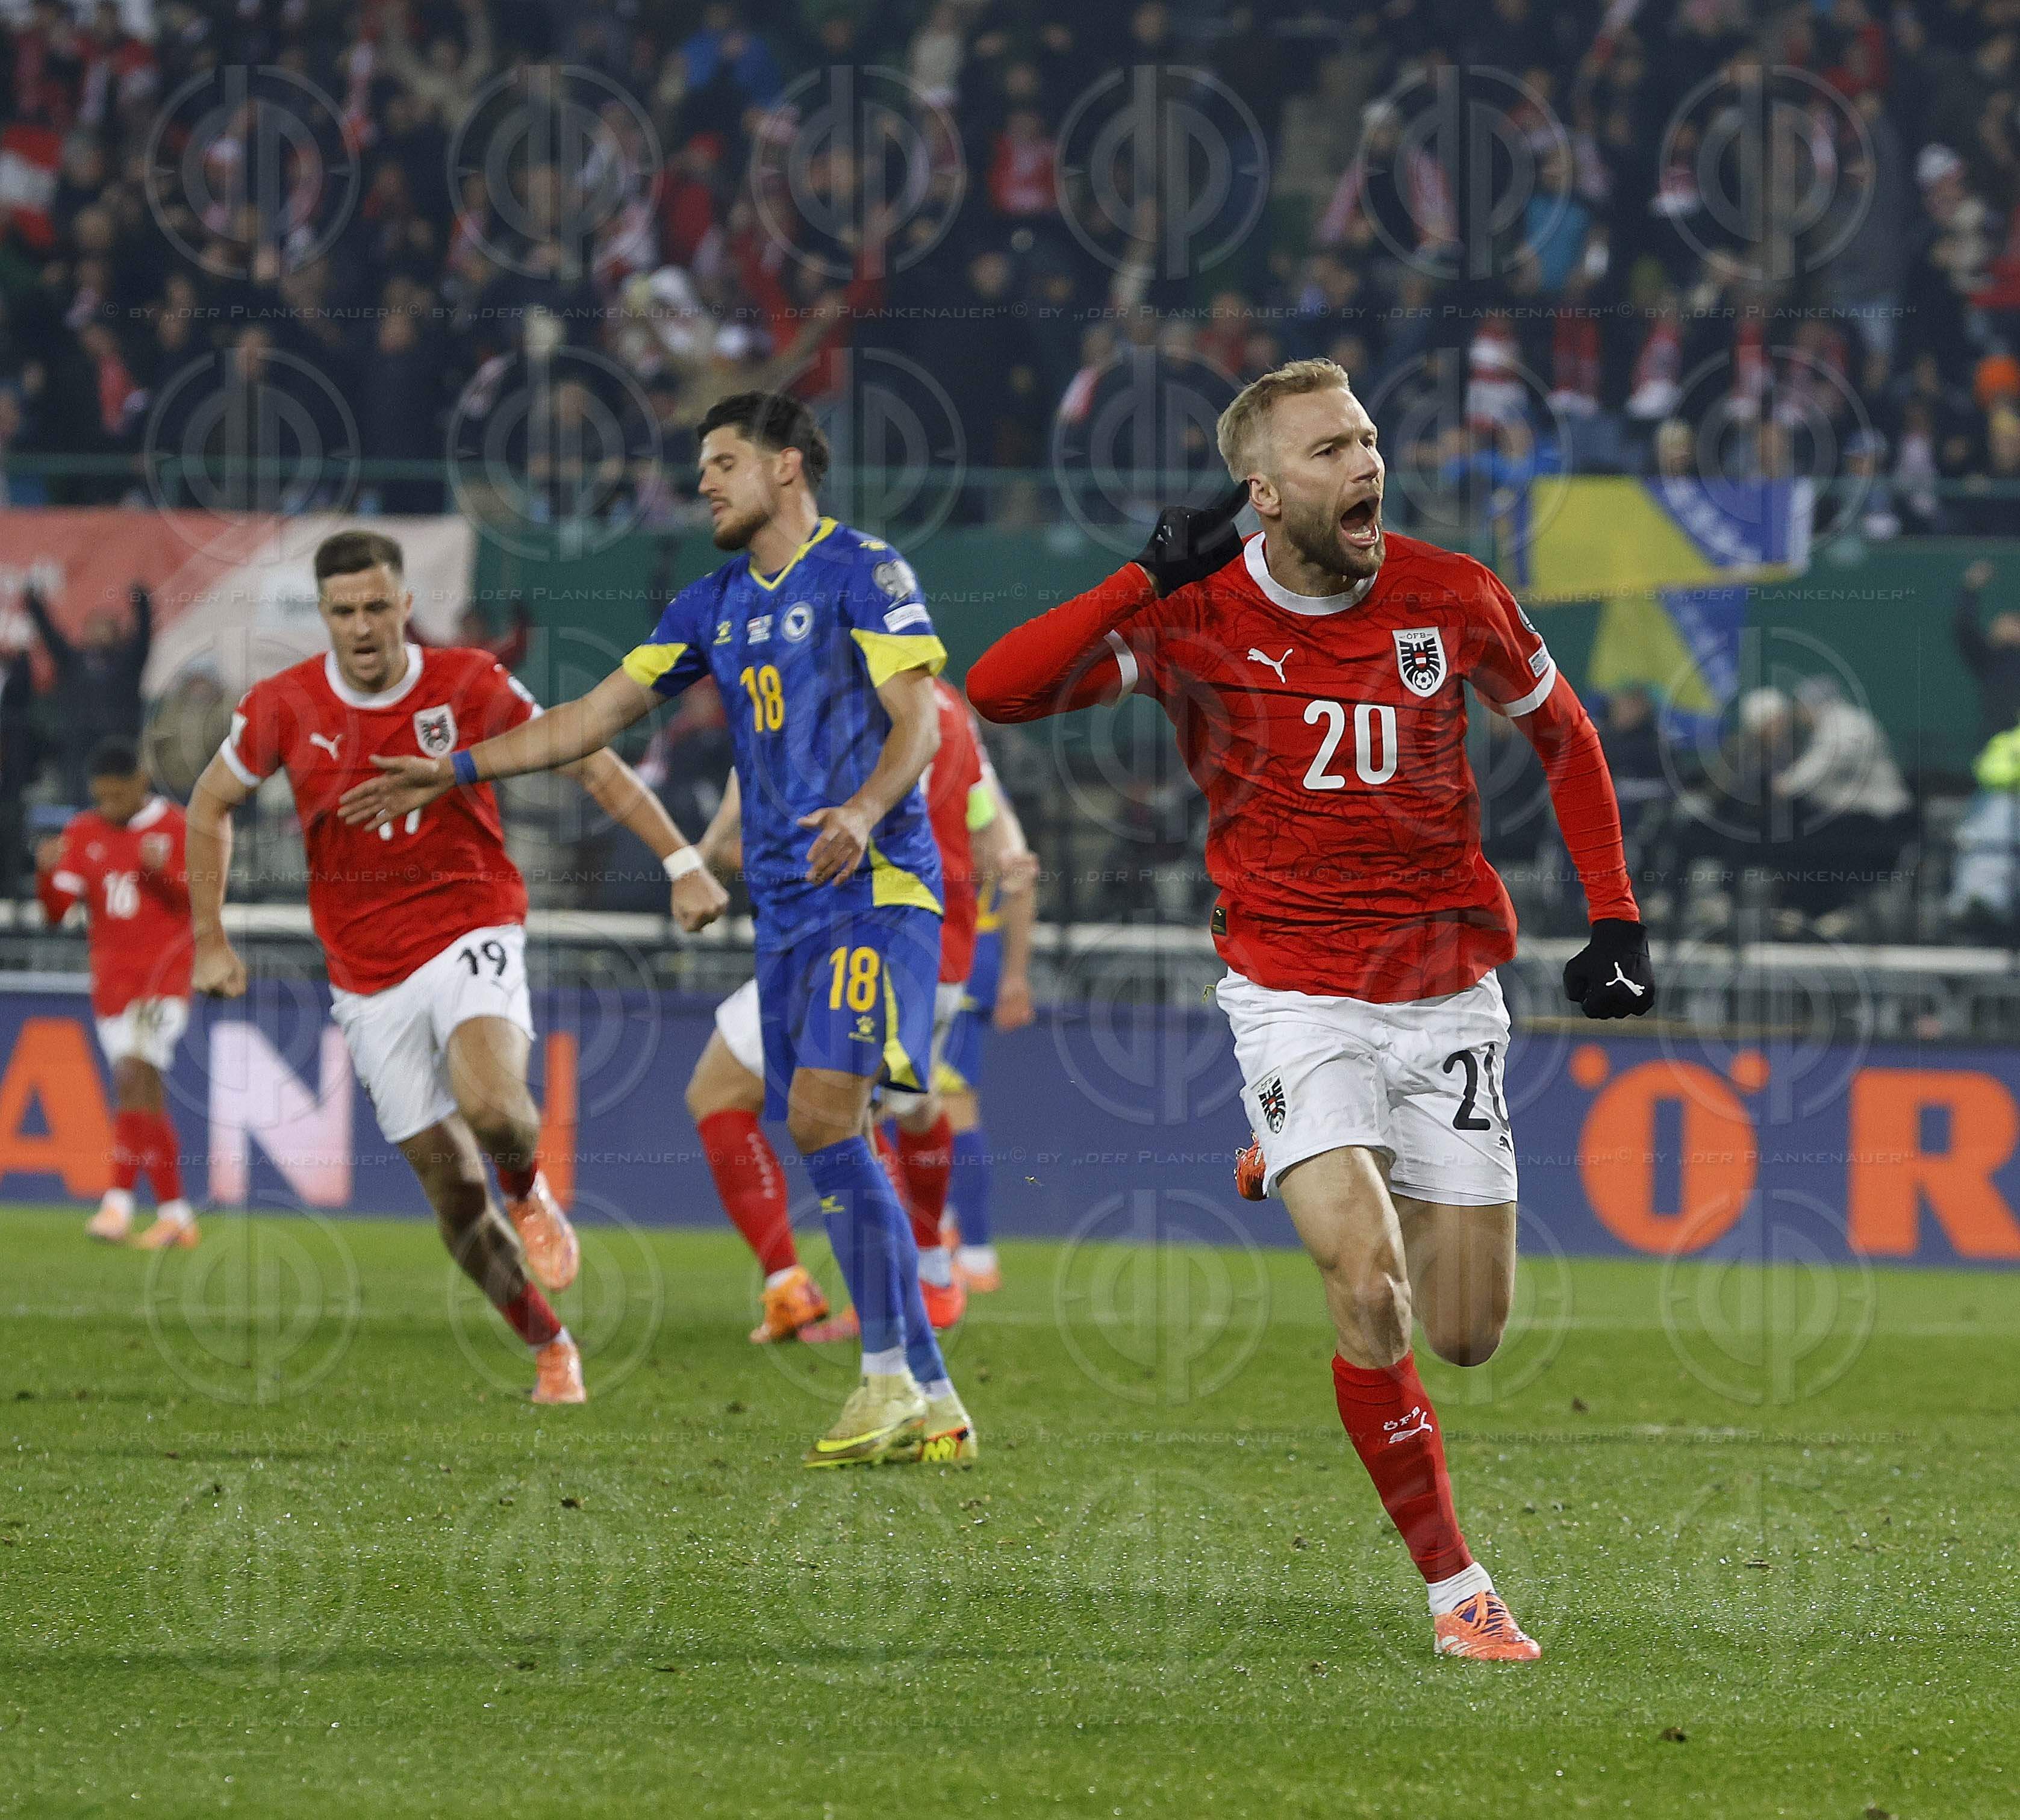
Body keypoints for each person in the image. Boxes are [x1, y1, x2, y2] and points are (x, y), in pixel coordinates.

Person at [966, 357, 1654, 1662]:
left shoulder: (1452, 595)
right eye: (1332, 451)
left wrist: (1614, 914)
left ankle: (1301, 1146)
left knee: (1464, 1334)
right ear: (1264, 493)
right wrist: (1138, 578)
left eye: (1369, 440)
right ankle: (1460, 1592)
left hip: (1447, 994)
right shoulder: (1199, 619)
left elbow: (1565, 735)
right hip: (1291, 992)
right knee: (1367, 1284)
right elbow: (997, 689)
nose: (1367, 467)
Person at [337, 393, 976, 1469]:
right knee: (826, 1130)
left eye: (723, 461)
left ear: (785, 467)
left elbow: (918, 710)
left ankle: (887, 1379)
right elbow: (591, 716)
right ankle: (930, 1394)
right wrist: (457, 768)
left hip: (877, 892)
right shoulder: (713, 602)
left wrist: (864, 811)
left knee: (825, 1117)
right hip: (784, 918)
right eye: (702, 466)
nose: (704, 483)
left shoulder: (865, 570)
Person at [183, 529, 729, 1405]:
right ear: (323, 615)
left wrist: (680, 861)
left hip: (470, 922)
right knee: (450, 1195)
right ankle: (551, 1345)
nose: (361, 626)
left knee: (491, 1102)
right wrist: (210, 937)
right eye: (342, 610)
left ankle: (530, 1192)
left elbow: (586, 755)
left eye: (375, 606)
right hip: (364, 972)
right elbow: (209, 803)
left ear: (405, 605)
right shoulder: (283, 705)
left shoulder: (466, 682)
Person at [685, 679, 1021, 1341]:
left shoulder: (837, 694)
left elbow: (777, 822)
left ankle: (890, 1307)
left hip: (863, 938)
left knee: (837, 1120)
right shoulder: (945, 704)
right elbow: (988, 827)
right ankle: (906, 1274)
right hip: (936, 941)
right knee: (900, 1106)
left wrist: (705, 857)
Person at [35, 736, 196, 1248]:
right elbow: (57, 914)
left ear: (140, 783)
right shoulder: (82, 832)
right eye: (100, 797)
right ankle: (167, 1215)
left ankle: (127, 1208)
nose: (108, 807)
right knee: (136, 1092)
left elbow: (195, 900)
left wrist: (159, 872)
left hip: (163, 982)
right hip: (111, 987)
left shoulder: (175, 825)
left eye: (116, 797)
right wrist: (45, 875)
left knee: (135, 1075)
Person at [936, 773, 1039, 1293]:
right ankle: (947, 1228)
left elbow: (1017, 870)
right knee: (901, 1100)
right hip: (941, 952)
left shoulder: (973, 781)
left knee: (950, 1104)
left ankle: (975, 1254)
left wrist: (1016, 977)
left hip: (954, 954)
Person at [24, 582, 151, 806]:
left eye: (104, 626)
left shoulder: (128, 662)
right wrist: (35, 604)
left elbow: (143, 636)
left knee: (116, 799)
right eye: (93, 626)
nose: (97, 631)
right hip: (77, 744)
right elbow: (49, 635)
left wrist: (142, 603)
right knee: (78, 800)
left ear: (115, 632)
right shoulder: (73, 661)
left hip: (116, 742)